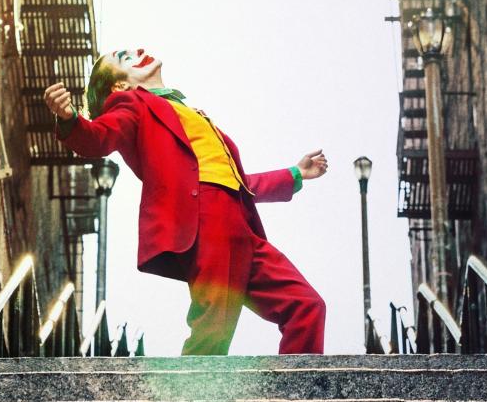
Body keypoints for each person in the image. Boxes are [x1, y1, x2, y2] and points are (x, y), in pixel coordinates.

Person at [43, 48, 327, 355]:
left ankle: (292, 399)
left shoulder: (190, 113)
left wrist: (295, 174)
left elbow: (236, 182)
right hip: (206, 220)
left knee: (306, 306)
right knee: (214, 325)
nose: (137, 50)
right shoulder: (131, 103)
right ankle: (187, 401)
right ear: (120, 86)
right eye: (124, 57)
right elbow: (99, 136)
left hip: (241, 226)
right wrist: (70, 118)